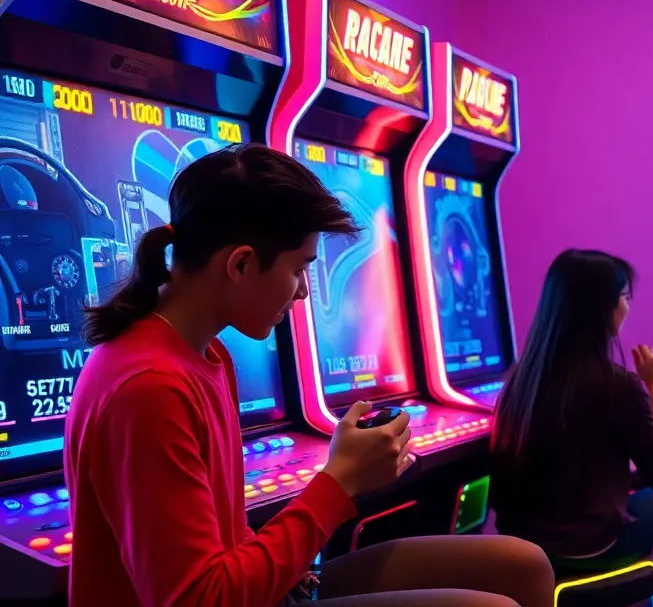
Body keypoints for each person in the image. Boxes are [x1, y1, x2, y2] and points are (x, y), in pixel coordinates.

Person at [65, 144, 553, 607]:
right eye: (300, 269)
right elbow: (200, 598)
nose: (301, 292)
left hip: (262, 591)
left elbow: (229, 545)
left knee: (522, 565)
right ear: (241, 263)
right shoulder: (147, 388)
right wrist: (337, 482)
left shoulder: (209, 356)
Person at [490, 250, 653, 607]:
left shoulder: (519, 381)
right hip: (588, 549)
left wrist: (628, 482)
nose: (627, 308)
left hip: (525, 551)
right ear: (601, 309)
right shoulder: (617, 386)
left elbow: (563, 471)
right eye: (623, 298)